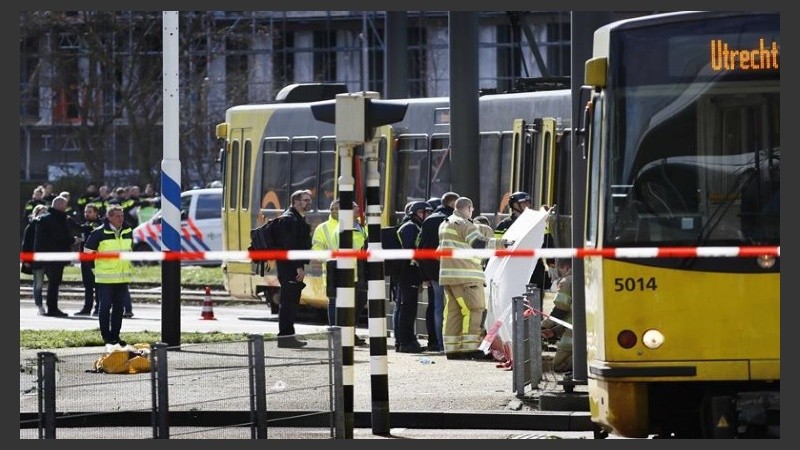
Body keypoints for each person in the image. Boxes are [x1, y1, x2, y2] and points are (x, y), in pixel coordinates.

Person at [438, 197, 511, 360]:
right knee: (474, 310)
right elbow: (478, 243)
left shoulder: (445, 224)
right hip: (467, 276)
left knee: (453, 313)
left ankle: (452, 349)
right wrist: (502, 243)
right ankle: (471, 348)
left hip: (449, 277)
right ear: (469, 208)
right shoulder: (464, 223)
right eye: (472, 210)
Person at [311, 199, 368, 345]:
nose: (334, 211)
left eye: (337, 208)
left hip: (357, 272)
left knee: (355, 304)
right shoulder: (324, 228)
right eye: (332, 209)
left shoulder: (359, 226)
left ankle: (349, 334)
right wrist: (330, 259)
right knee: (335, 304)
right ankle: (336, 335)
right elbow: (317, 249)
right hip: (334, 271)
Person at [83, 204, 134, 346]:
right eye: (117, 216)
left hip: (122, 277)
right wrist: (94, 270)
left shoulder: (128, 230)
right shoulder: (99, 233)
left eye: (122, 216)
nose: (121, 218)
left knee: (119, 308)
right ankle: (106, 337)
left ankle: (115, 336)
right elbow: (87, 254)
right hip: (105, 278)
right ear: (109, 217)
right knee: (105, 307)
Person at [416, 192, 459, 353]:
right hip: (453, 269)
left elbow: (421, 247)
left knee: (438, 307)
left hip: (433, 271)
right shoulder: (454, 220)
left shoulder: (429, 220)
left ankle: (440, 343)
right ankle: (452, 342)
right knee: (454, 307)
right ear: (453, 203)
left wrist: (424, 274)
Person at [273, 189, 313, 348]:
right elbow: (290, 246)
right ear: (296, 201)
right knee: (288, 304)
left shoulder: (295, 218)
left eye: (309, 200)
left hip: (289, 266)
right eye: (305, 200)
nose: (309, 203)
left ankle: (288, 336)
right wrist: (298, 267)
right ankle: (285, 338)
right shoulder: (290, 220)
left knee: (290, 303)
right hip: (289, 268)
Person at [494, 191, 554, 292]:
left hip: (534, 267)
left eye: (528, 203)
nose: (527, 205)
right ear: (514, 205)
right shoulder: (504, 225)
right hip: (511, 269)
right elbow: (496, 247)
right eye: (524, 203)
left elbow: (548, 243)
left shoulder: (536, 223)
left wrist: (551, 263)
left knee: (535, 297)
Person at [395, 201, 433, 353]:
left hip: (409, 270)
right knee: (408, 307)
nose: (427, 215)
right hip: (408, 270)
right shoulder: (410, 227)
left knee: (408, 307)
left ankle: (406, 340)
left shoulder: (415, 226)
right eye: (424, 212)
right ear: (415, 213)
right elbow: (411, 249)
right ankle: (406, 342)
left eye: (428, 212)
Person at [33, 196, 80, 317]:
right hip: (56, 255)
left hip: (45, 255)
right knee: (54, 282)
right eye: (65, 205)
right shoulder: (57, 219)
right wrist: (72, 240)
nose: (66, 208)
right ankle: (52, 308)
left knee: (53, 283)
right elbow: (59, 237)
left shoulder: (44, 218)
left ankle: (52, 307)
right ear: (60, 205)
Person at [541, 258, 573, 373]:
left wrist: (543, 325)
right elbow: (572, 316)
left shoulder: (567, 281)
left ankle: (585, 363)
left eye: (556, 268)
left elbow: (560, 310)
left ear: (565, 267)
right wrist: (554, 332)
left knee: (559, 365)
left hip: (573, 336)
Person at [74, 203, 103, 316]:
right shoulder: (86, 224)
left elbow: (88, 231)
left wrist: (69, 220)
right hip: (85, 259)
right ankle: (87, 308)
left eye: (89, 212)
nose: (86, 214)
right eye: (85, 212)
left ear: (96, 213)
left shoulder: (98, 225)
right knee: (88, 285)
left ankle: (98, 308)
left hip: (95, 259)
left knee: (98, 285)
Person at [21, 204, 49, 315]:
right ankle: (40, 306)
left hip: (49, 259)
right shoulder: (31, 227)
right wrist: (26, 260)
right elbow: (26, 244)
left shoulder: (49, 227)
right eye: (42, 212)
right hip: (36, 260)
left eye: (45, 212)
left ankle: (51, 306)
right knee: (38, 284)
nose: (44, 214)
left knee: (52, 283)